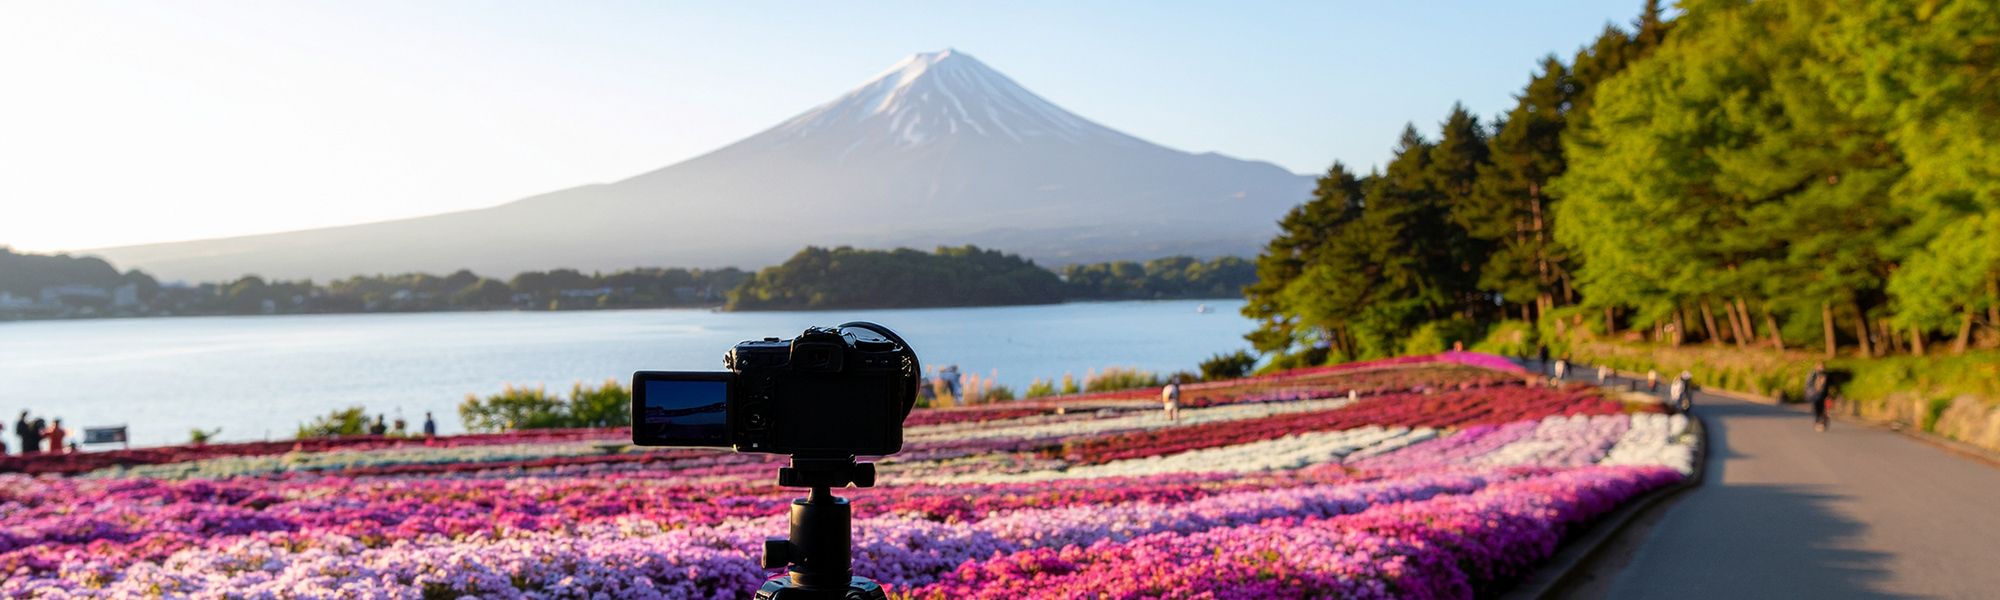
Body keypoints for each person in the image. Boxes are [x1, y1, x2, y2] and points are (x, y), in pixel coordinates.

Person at [1805, 362, 1831, 432]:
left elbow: (1828, 386)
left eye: (1822, 367)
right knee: (1817, 409)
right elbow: (1808, 385)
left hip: (1823, 395)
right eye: (1820, 367)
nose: (1821, 368)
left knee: (1823, 409)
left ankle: (1821, 422)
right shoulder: (1813, 374)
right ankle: (1818, 423)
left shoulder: (1826, 375)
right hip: (1815, 395)